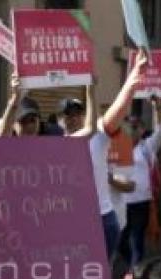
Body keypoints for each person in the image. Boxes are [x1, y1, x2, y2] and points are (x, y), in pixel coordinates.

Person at [59, 50, 148, 259]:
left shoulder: (99, 133)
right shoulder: (53, 143)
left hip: (101, 220)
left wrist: (134, 78)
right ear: (59, 119)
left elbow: (118, 109)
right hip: (67, 221)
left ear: (85, 116)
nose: (72, 119)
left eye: (77, 114)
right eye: (67, 115)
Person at [118, 97, 161, 279]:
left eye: (136, 127)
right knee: (120, 241)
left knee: (136, 240)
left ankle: (134, 274)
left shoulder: (147, 147)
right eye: (129, 127)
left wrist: (156, 107)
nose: (132, 130)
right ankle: (135, 266)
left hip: (141, 201)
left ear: (141, 130)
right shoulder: (116, 147)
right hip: (121, 202)